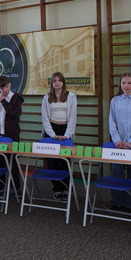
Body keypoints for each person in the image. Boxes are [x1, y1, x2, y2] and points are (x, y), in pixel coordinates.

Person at [107, 73, 131, 212]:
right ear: (120, 85)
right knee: (116, 171)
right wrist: (116, 139)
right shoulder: (115, 100)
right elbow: (112, 121)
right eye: (123, 83)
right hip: (118, 140)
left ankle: (130, 203)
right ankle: (116, 201)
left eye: (129, 83)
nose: (126, 85)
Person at [41, 72, 77, 200]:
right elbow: (45, 117)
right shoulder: (47, 97)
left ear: (63, 82)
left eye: (59, 80)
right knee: (52, 162)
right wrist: (52, 134)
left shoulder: (71, 96)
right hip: (51, 130)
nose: (57, 83)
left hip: (65, 129)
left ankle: (66, 188)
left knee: (65, 161)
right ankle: (57, 188)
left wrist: (67, 135)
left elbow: (73, 117)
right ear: (51, 83)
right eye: (54, 81)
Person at [0, 75, 24, 196]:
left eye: (7, 87)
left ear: (10, 85)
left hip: (12, 136)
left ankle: (16, 188)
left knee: (13, 163)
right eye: (2, 88)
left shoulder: (16, 98)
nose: (5, 90)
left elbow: (15, 114)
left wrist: (3, 101)